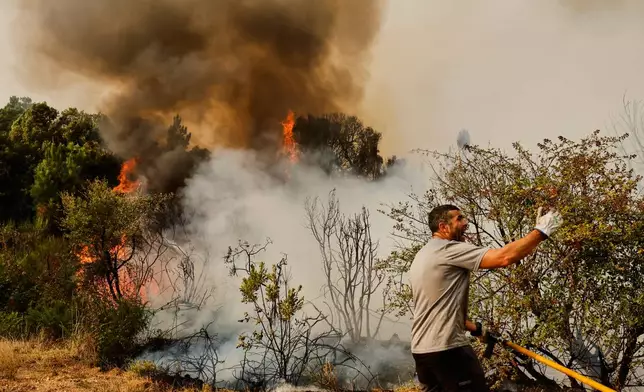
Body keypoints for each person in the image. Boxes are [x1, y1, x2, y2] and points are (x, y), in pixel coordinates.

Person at [409, 204, 562, 392]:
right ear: (443, 227)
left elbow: (437, 309)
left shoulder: (423, 255)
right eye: (459, 219)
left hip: (422, 352)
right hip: (447, 350)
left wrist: (477, 330)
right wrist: (541, 231)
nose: (466, 222)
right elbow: (504, 257)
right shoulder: (448, 249)